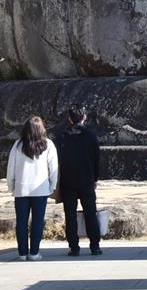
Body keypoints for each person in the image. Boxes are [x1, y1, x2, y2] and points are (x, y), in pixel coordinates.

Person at [6, 115, 58, 261]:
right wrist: (52, 185)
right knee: (37, 222)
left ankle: (22, 253)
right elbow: (53, 168)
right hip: (41, 190)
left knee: (21, 223)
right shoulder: (48, 144)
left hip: (21, 189)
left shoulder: (18, 145)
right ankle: (34, 252)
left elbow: (11, 168)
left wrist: (11, 186)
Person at [56, 107, 101, 256]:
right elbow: (96, 159)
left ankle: (74, 247)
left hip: (67, 181)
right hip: (87, 179)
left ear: (69, 119)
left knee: (70, 215)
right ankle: (95, 246)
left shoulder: (62, 136)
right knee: (90, 213)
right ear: (84, 117)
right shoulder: (91, 136)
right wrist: (95, 178)